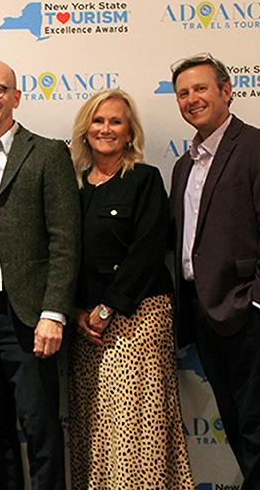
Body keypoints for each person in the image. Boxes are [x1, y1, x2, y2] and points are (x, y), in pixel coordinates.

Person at [169, 53, 260, 489]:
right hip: (207, 314)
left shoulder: (259, 148)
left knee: (258, 432)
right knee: (238, 428)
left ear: (226, 91)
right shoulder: (185, 166)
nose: (192, 99)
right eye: (183, 93)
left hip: (250, 315)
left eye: (201, 88)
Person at [0, 58, 79, 490]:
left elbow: (65, 241)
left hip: (27, 313)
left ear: (17, 97)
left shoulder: (47, 153)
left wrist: (53, 313)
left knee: (40, 426)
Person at [67, 89, 194, 489]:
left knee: (137, 430)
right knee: (95, 429)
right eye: (98, 120)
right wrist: (77, 312)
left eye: (115, 122)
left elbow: (148, 250)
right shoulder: (73, 185)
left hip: (138, 319)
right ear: (85, 129)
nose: (105, 129)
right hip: (86, 327)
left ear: (129, 133)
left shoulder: (144, 178)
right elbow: (66, 254)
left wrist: (108, 309)